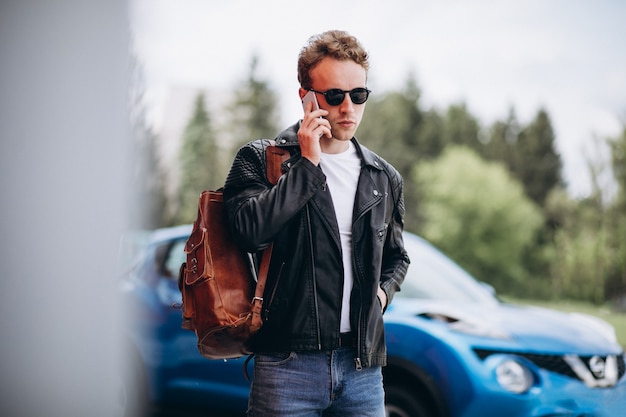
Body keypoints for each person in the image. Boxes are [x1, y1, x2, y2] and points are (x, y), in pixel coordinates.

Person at [223, 29, 410, 417]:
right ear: (305, 96)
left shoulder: (383, 177)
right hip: (287, 365)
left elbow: (397, 259)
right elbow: (248, 232)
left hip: (362, 368)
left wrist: (380, 297)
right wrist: (307, 165)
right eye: (335, 96)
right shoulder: (263, 159)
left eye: (358, 95)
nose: (348, 109)